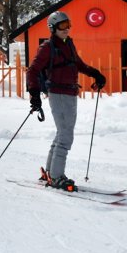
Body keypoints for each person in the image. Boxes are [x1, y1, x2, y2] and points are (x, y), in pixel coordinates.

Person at [26, 11, 106, 192]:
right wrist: (35, 95)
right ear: (53, 28)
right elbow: (32, 71)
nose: (67, 29)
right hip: (58, 93)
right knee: (66, 136)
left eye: (68, 24)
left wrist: (96, 74)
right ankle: (56, 177)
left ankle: (49, 172)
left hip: (70, 93)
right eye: (62, 26)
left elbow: (79, 64)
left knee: (62, 133)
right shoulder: (47, 47)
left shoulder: (68, 43)